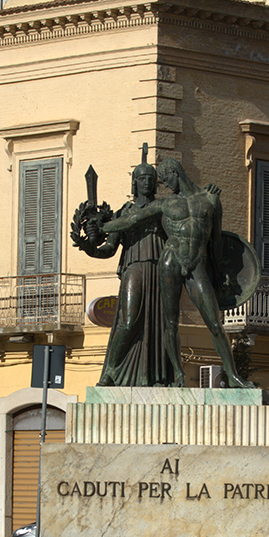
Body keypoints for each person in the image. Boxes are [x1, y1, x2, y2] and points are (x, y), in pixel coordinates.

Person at [103, 158, 255, 388]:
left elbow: (216, 242)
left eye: (165, 180)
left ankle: (233, 376)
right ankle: (178, 375)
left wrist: (221, 270)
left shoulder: (211, 199)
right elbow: (131, 220)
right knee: (170, 323)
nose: (165, 185)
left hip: (197, 264)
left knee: (214, 322)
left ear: (175, 172)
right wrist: (102, 226)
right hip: (170, 261)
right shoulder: (165, 204)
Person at [77, 156, 172, 386]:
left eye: (150, 179)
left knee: (161, 323)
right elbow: (109, 248)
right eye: (141, 178)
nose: (146, 183)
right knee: (128, 321)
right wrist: (91, 249)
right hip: (135, 266)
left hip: (161, 269)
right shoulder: (123, 213)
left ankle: (155, 375)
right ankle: (111, 371)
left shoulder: (163, 210)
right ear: (134, 183)